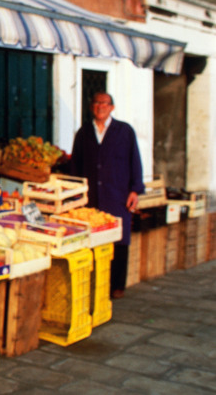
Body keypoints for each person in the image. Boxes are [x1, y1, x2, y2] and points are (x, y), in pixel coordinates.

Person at [70, 92, 145, 299]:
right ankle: (96, 285)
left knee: (119, 240)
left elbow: (135, 161)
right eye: (96, 103)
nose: (100, 107)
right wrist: (75, 194)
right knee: (94, 238)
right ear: (91, 107)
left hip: (118, 193)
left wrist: (135, 190)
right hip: (92, 196)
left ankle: (117, 286)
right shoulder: (84, 133)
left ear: (112, 107)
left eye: (104, 103)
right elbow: (75, 165)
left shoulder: (124, 131)